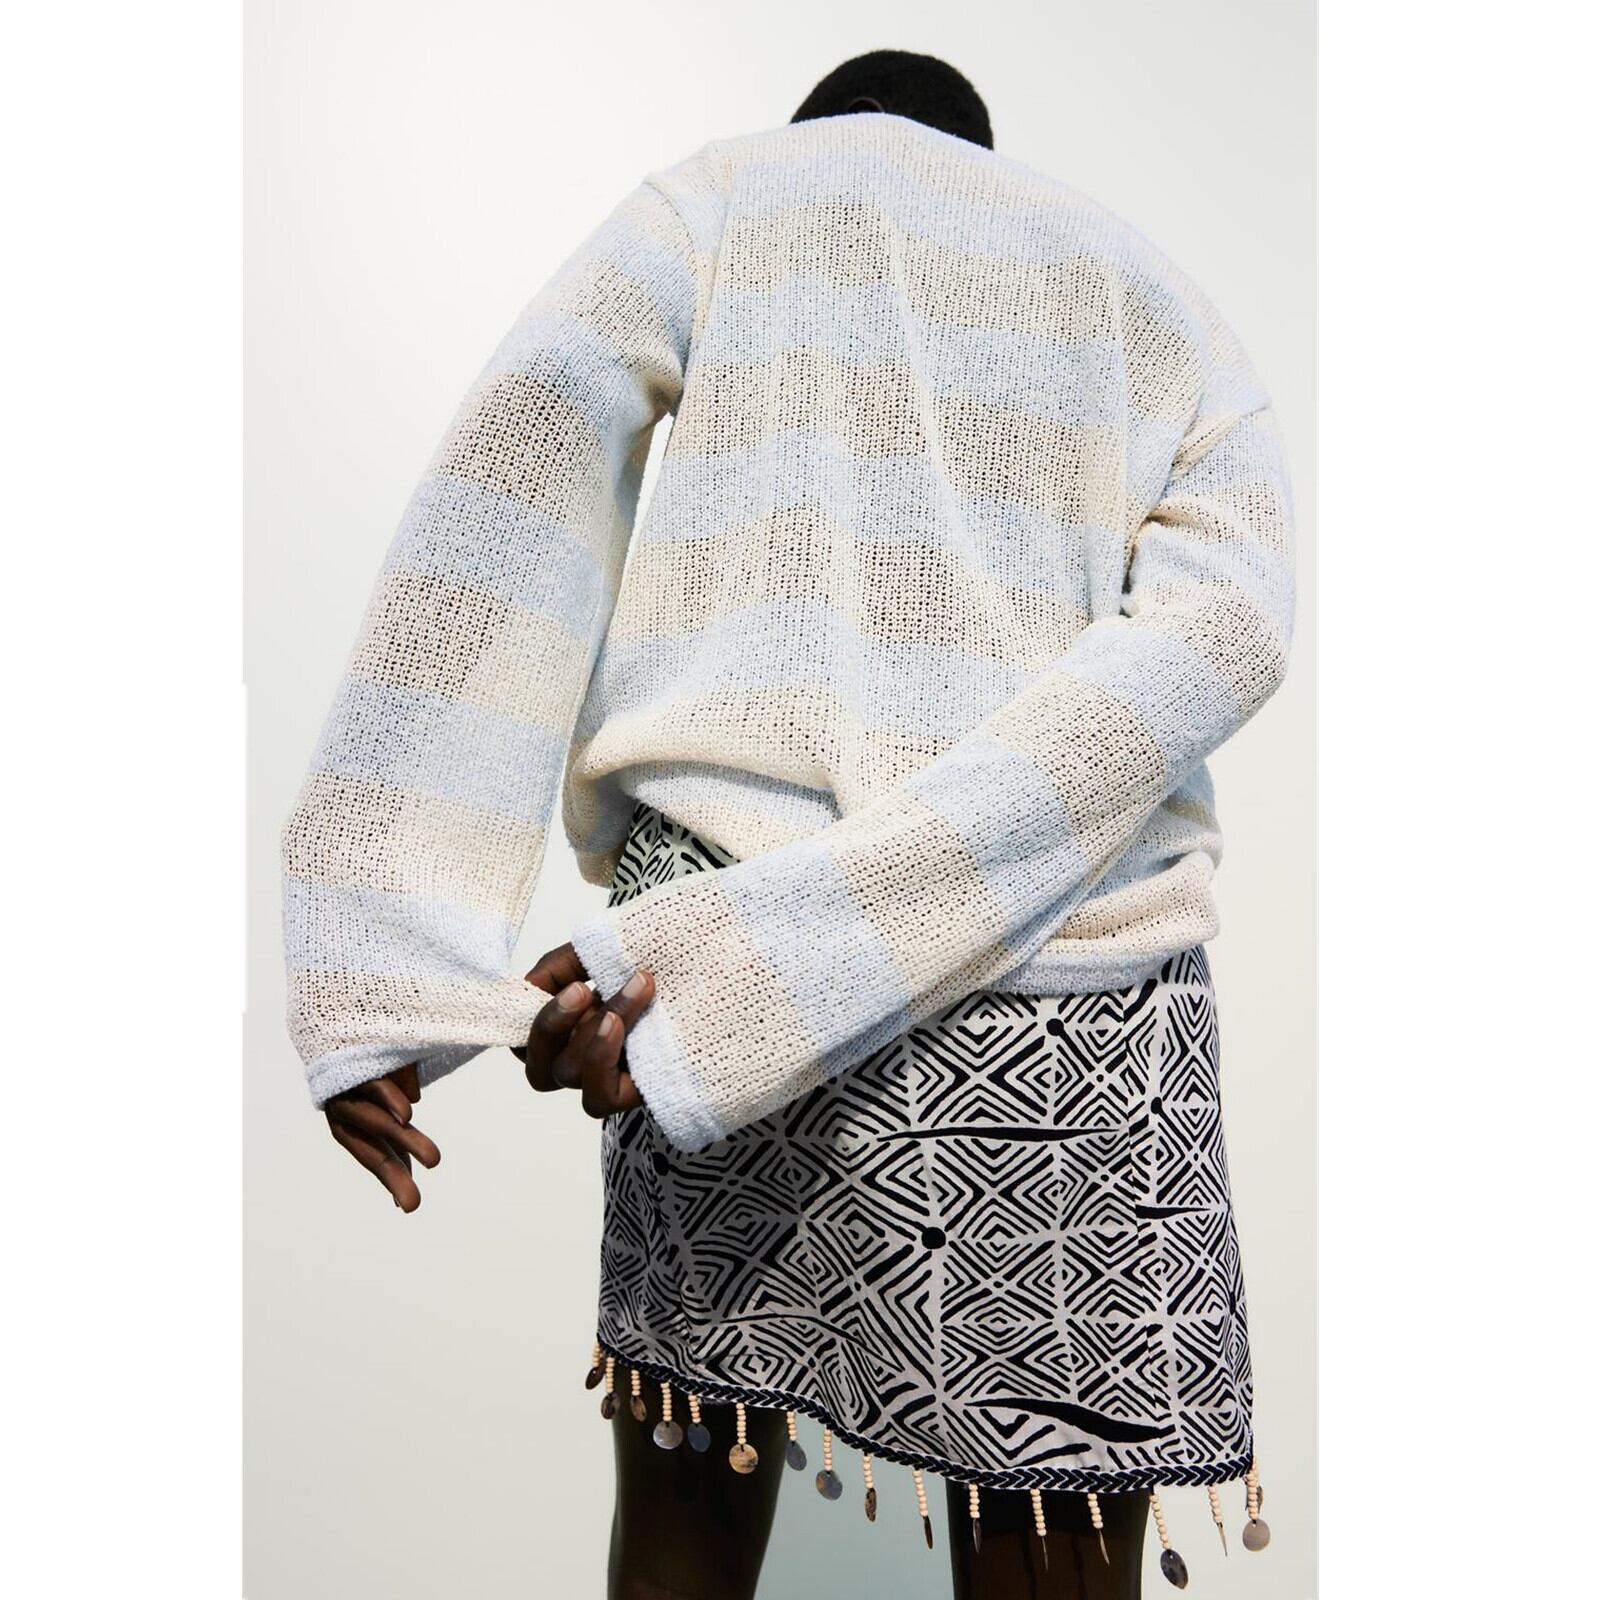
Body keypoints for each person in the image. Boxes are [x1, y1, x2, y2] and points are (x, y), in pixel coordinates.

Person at [283, 48, 1293, 1600]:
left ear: (814, 130)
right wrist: (977, 844)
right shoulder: (1149, 294)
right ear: (986, 152)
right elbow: (1229, 630)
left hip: (705, 963)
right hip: (1066, 989)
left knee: (682, 1543)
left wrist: (382, 958)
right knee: (1052, 1551)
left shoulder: (721, 203)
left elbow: (510, 486)